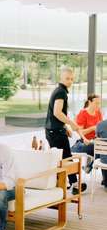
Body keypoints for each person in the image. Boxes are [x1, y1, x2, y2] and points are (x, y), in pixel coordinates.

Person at [45, 66, 87, 195]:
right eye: (67, 78)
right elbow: (57, 113)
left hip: (54, 130)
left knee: (62, 158)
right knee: (66, 158)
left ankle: (68, 184)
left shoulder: (59, 91)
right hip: (55, 132)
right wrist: (71, 123)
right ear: (61, 78)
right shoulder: (61, 92)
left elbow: (57, 114)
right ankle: (73, 184)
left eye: (72, 79)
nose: (70, 81)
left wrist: (65, 126)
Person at [71, 94, 103, 172]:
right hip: (83, 142)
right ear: (90, 102)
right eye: (96, 103)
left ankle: (90, 166)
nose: (98, 105)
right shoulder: (83, 113)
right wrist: (92, 128)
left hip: (95, 142)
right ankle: (90, 166)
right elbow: (80, 132)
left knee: (103, 149)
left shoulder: (98, 113)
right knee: (101, 150)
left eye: (99, 103)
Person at [96, 120, 107, 191]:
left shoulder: (100, 124)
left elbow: (97, 138)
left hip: (104, 160)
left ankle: (106, 181)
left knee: (103, 154)